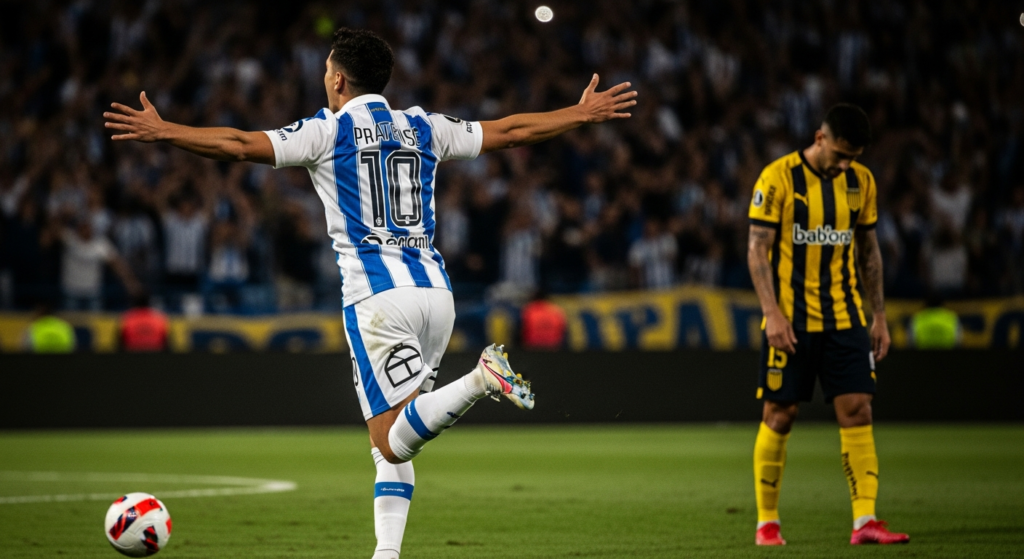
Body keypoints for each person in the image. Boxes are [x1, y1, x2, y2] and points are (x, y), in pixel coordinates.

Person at [104, 27, 636, 559]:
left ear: (337, 78)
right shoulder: (423, 126)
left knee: (390, 438)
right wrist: (578, 114)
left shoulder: (327, 131)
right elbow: (514, 131)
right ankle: (387, 555)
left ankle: (480, 379)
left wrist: (165, 130)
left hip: (378, 302)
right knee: (393, 442)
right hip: (436, 295)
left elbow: (239, 145)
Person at [746, 104, 909, 546]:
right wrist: (772, 314)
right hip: (791, 322)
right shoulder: (777, 178)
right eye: (839, 154)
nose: (844, 165)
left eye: (852, 157)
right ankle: (767, 522)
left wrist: (879, 316)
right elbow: (757, 250)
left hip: (846, 317)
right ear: (820, 139)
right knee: (780, 415)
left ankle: (865, 522)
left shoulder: (862, 182)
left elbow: (869, 252)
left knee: (858, 409)